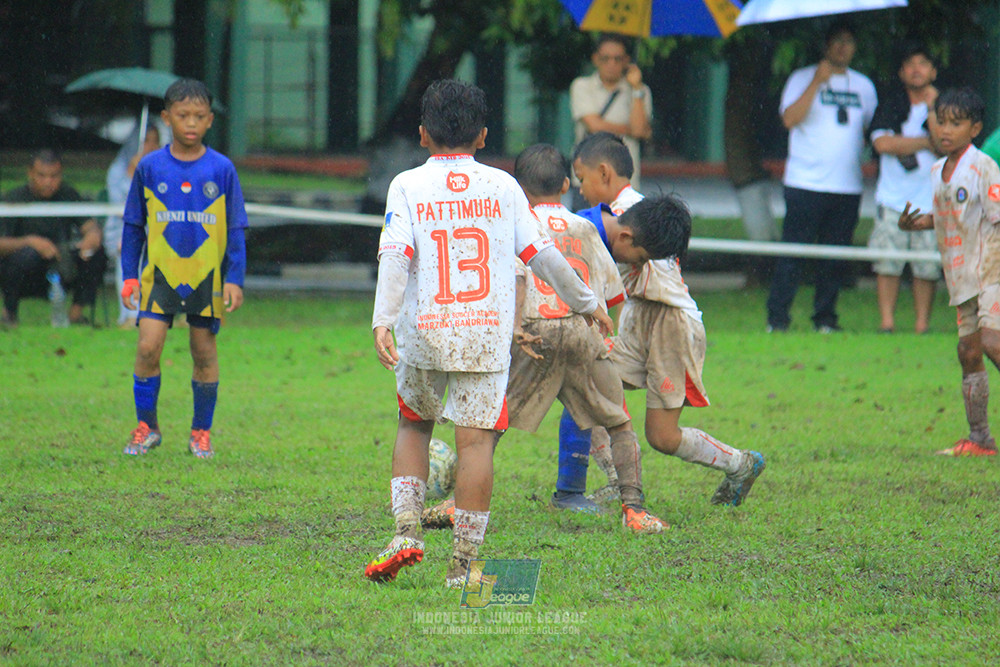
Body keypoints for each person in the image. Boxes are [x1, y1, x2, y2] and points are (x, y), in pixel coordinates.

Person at [364, 80, 613, 588]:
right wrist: (589, 304)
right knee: (475, 443)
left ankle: (407, 532)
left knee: (413, 425)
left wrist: (382, 318)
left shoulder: (407, 185)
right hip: (484, 334)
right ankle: (462, 567)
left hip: (424, 331)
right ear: (482, 135)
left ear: (421, 134)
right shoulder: (503, 187)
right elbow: (543, 255)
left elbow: (395, 255)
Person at [421, 144, 671, 533]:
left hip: (533, 333)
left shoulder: (514, 225)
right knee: (620, 424)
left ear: (519, 190)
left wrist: (513, 325)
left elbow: (513, 277)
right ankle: (635, 510)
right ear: (566, 184)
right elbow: (609, 290)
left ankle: (457, 503)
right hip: (582, 331)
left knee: (489, 423)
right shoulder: (586, 227)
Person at [565, 132, 766, 508]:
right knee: (583, 387)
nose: (582, 189)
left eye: (582, 179)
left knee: (662, 436)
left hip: (671, 324)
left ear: (604, 173)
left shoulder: (630, 214)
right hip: (642, 316)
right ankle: (618, 483)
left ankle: (739, 463)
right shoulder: (618, 215)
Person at [119, 78, 248, 460]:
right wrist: (129, 274)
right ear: (166, 118)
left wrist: (235, 279)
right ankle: (148, 427)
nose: (190, 123)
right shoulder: (150, 166)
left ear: (210, 120)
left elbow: (237, 227)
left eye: (199, 116)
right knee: (147, 347)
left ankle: (200, 432)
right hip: (159, 276)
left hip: (206, 279)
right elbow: (132, 227)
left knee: (203, 351)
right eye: (182, 115)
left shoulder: (221, 169)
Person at [898, 87, 1000, 457]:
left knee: (992, 343)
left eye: (956, 123)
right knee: (968, 352)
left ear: (975, 129)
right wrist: (917, 223)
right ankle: (981, 439)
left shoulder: (983, 166)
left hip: (992, 269)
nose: (945, 130)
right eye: (941, 121)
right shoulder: (937, 170)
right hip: (962, 277)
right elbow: (950, 219)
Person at [766, 21, 878, 333]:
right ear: (826, 46)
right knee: (793, 254)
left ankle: (825, 318)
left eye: (848, 41)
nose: (843, 47)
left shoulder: (864, 86)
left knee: (834, 257)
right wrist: (816, 82)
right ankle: (777, 318)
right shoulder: (801, 78)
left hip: (847, 185)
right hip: (805, 183)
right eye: (837, 41)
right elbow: (789, 119)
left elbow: (872, 133)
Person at [867, 44, 941, 334]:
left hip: (931, 200)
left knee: (926, 267)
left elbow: (947, 145)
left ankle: (922, 324)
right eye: (910, 63)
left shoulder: (945, 106)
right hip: (893, 198)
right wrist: (923, 143)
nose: (916, 69)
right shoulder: (889, 104)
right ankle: (887, 322)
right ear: (901, 72)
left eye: (923, 62)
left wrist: (934, 108)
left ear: (933, 71)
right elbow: (882, 143)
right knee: (888, 263)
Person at [0, 150, 107, 327]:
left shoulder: (68, 195)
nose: (48, 182)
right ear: (30, 173)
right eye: (41, 176)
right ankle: (9, 313)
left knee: (96, 254)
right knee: (22, 257)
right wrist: (29, 242)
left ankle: (76, 314)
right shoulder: (14, 199)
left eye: (54, 176)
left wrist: (93, 236)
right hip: (26, 270)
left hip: (62, 263)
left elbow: (90, 226)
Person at [570, 33, 652, 195]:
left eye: (618, 59)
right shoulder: (582, 86)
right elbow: (594, 125)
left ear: (627, 60)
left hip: (625, 182)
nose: (611, 64)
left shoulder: (641, 91)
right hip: (587, 180)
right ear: (595, 59)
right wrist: (628, 130)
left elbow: (639, 131)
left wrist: (636, 89)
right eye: (605, 59)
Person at [106, 123, 164, 328]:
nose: (152, 146)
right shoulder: (118, 170)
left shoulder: (162, 169)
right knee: (128, 249)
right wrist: (132, 175)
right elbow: (123, 207)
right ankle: (130, 314)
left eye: (155, 141)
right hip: (122, 229)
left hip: (156, 230)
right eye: (146, 141)